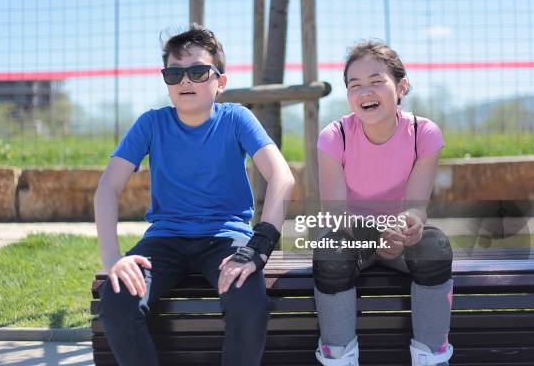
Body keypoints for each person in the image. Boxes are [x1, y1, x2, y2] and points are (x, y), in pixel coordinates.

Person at [94, 24, 295, 366]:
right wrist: (114, 259)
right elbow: (107, 188)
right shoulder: (151, 124)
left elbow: (282, 177)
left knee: (248, 302)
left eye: (199, 71)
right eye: (174, 73)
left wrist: (258, 247)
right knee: (116, 300)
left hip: (226, 238)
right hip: (164, 240)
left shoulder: (236, 119)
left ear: (221, 82)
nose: (185, 81)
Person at [313, 40, 453, 366]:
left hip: (399, 240)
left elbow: (417, 207)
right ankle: (338, 357)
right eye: (355, 85)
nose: (365, 92)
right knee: (330, 250)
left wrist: (409, 226)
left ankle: (431, 357)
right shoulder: (335, 136)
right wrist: (375, 237)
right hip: (350, 238)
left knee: (435, 246)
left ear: (401, 86)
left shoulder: (424, 133)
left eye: (377, 81)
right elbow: (334, 214)